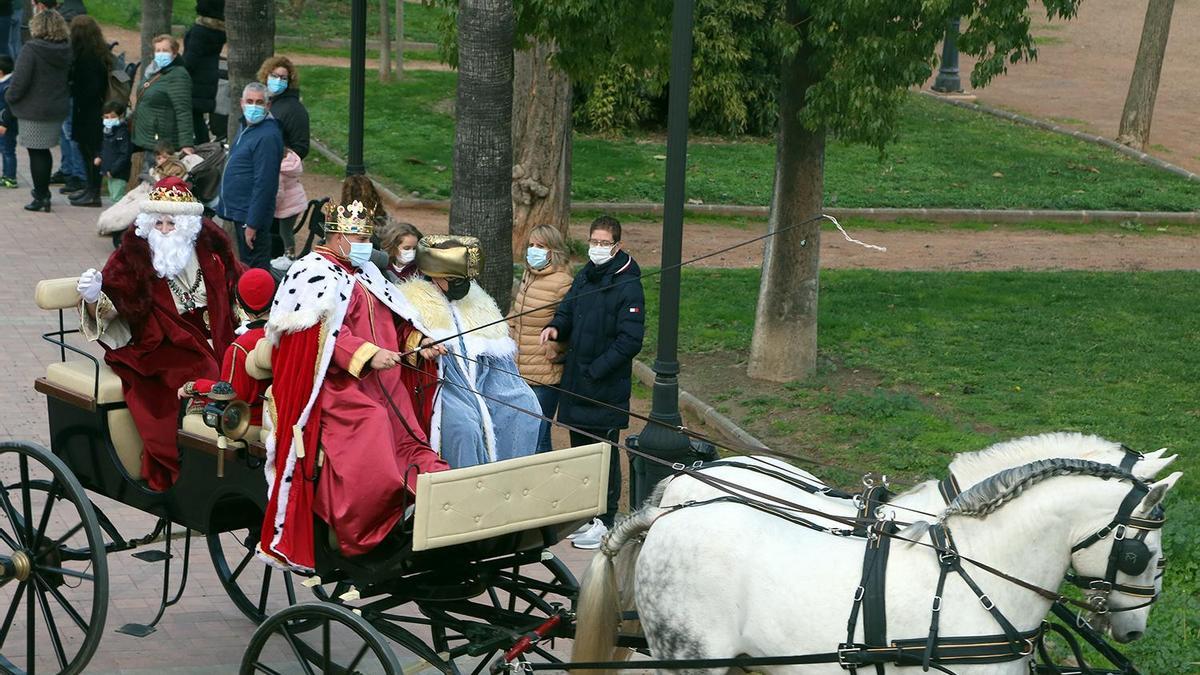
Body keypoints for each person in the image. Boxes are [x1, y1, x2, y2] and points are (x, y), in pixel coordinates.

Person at [257, 200, 449, 572]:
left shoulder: (365, 272)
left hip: (384, 381)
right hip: (335, 386)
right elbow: (318, 336)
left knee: (408, 430)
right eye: (358, 236)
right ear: (337, 235)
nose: (365, 242)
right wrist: (365, 354)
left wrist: (417, 344)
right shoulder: (310, 271)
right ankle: (364, 530)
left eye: (367, 235)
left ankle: (422, 502)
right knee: (373, 423)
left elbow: (394, 320)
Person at [76, 177, 242, 490]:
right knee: (204, 372)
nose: (164, 230)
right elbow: (116, 299)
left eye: (171, 223)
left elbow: (239, 286)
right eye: (159, 223)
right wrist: (95, 296)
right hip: (161, 343)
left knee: (249, 365)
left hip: (218, 335)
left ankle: (237, 451)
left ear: (189, 226)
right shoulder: (133, 256)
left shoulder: (212, 252)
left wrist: (249, 319)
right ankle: (190, 459)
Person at [541, 215, 644, 549]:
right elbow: (569, 309)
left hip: (603, 387)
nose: (597, 248)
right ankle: (587, 516)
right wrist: (557, 326)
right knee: (580, 452)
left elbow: (630, 341)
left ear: (617, 245)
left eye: (603, 243)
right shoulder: (586, 275)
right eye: (594, 241)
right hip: (577, 383)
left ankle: (607, 519)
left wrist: (596, 370)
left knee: (604, 455)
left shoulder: (627, 284)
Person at [396, 235, 541, 468]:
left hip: (485, 378)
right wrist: (422, 343)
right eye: (453, 279)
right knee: (464, 426)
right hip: (442, 383)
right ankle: (467, 494)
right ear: (436, 275)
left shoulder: (477, 299)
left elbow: (500, 362)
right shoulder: (412, 298)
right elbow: (401, 337)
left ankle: (509, 482)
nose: (461, 284)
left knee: (526, 406)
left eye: (465, 278)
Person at [179, 267, 274, 425]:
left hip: (247, 423)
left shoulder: (239, 347)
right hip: (277, 419)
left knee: (188, 417)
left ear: (239, 304)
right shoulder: (288, 335)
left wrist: (192, 387)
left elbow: (229, 393)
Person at [510, 225, 573, 454]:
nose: (533, 250)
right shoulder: (529, 275)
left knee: (538, 437)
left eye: (541, 246)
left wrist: (555, 346)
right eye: (531, 245)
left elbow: (569, 324)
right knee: (521, 432)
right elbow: (518, 314)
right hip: (520, 369)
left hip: (544, 375)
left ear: (553, 250)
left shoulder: (562, 282)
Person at [4, 8, 70, 212]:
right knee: (45, 151)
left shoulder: (31, 49)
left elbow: (20, 80)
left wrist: (9, 98)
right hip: (56, 106)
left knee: (36, 153)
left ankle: (41, 195)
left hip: (33, 109)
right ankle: (43, 193)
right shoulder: (67, 48)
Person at [217, 81, 282, 270]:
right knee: (246, 266)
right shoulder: (246, 126)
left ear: (268, 105)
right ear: (241, 102)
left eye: (259, 102)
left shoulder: (267, 136)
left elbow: (265, 184)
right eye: (250, 101)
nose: (254, 106)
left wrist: (252, 224)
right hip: (241, 212)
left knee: (255, 269)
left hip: (251, 217)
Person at [131, 34, 194, 164]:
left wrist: (186, 143)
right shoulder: (154, 71)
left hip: (162, 142)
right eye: (158, 50)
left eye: (165, 51)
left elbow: (183, 110)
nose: (160, 54)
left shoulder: (178, 75)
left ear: (175, 53)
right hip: (148, 140)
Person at [65, 14, 108, 207]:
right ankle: (91, 189)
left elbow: (89, 88)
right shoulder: (98, 54)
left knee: (90, 151)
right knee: (89, 151)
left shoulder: (86, 58)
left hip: (88, 112)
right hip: (92, 109)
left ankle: (93, 191)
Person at [183, 0, 225, 145]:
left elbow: (190, 59)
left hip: (195, 80)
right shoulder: (217, 31)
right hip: (207, 79)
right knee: (197, 116)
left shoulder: (200, 31)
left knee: (194, 117)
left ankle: (202, 147)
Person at [257, 55, 308, 159]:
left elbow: (301, 147)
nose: (278, 80)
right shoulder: (264, 102)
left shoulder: (294, 109)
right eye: (274, 76)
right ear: (266, 76)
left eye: (283, 78)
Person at [269, 147, 306, 269]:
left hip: (288, 205)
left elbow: (278, 194)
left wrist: (272, 207)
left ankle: (290, 257)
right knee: (286, 231)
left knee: (285, 232)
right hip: (296, 200)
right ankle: (287, 254)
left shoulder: (279, 172)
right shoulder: (291, 163)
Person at [99, 101, 131, 202]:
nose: (109, 120)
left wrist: (113, 170)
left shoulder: (123, 133)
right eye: (106, 117)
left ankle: (119, 216)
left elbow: (125, 154)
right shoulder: (107, 132)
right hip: (110, 171)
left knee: (117, 198)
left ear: (120, 116)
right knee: (113, 196)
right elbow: (105, 149)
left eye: (112, 116)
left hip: (118, 172)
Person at [0, 54, 16, 188]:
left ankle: (11, 177)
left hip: (7, 125)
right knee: (4, 149)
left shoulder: (7, 87)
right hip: (3, 124)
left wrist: (4, 124)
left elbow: (9, 108)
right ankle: (6, 175)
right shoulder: (5, 83)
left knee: (8, 150)